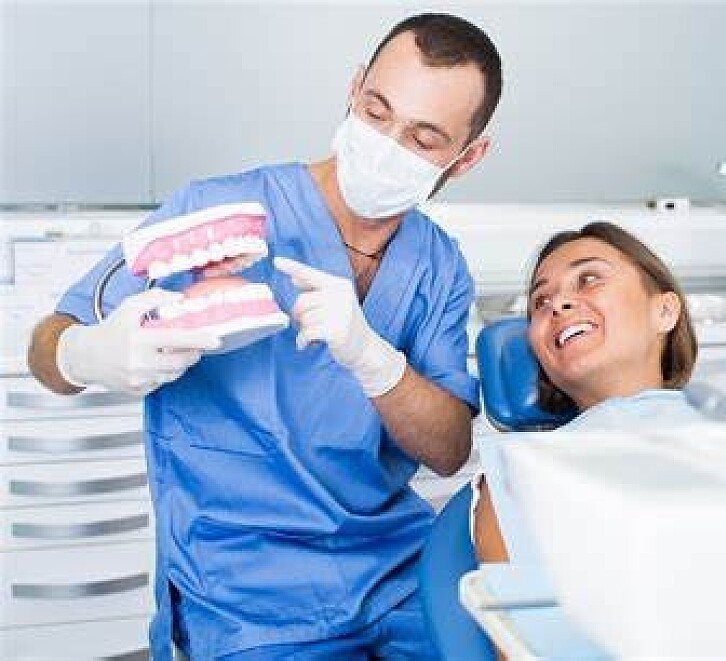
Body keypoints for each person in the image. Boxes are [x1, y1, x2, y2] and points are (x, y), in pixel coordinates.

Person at [26, 13, 502, 660]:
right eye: (376, 110)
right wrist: (87, 353)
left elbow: (448, 450)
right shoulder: (218, 212)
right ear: (354, 88)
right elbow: (47, 347)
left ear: (467, 157)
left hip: (395, 572)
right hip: (245, 595)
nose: (386, 144)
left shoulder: (438, 264)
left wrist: (375, 361)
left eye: (423, 138)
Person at [473, 221, 700, 563]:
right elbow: (517, 597)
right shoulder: (520, 473)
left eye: (589, 279)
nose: (557, 303)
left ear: (664, 311)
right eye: (540, 301)